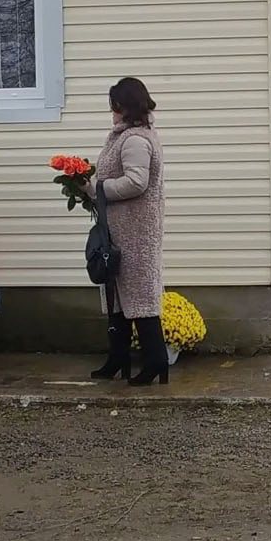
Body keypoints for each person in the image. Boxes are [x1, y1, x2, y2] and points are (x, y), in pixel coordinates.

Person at [91, 77, 167, 385]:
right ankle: (118, 358)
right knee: (118, 296)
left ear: (123, 106)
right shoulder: (125, 136)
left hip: (136, 232)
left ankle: (156, 362)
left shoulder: (135, 139)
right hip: (120, 229)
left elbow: (137, 182)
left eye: (114, 106)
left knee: (139, 297)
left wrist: (98, 188)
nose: (112, 112)